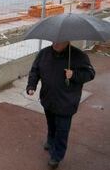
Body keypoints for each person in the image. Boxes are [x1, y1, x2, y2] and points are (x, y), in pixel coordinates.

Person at [26, 41, 95, 169]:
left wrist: (74, 75)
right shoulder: (44, 53)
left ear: (67, 40)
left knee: (62, 130)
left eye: (59, 40)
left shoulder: (78, 56)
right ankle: (51, 139)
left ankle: (56, 156)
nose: (55, 43)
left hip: (66, 102)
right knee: (51, 123)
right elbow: (35, 70)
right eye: (54, 40)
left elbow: (90, 74)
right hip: (48, 99)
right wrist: (31, 85)